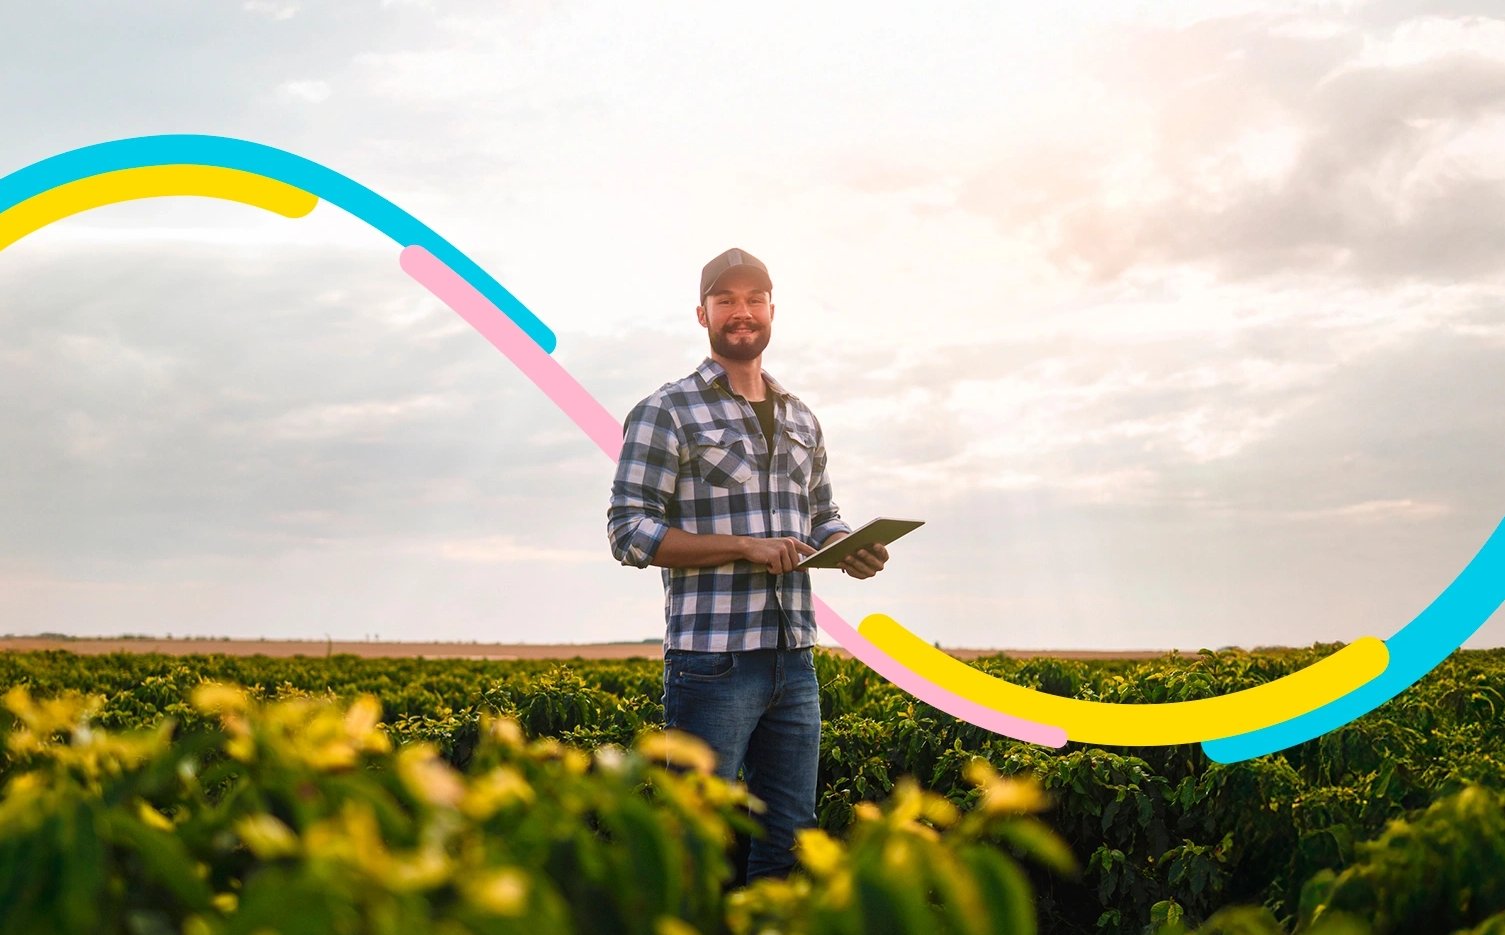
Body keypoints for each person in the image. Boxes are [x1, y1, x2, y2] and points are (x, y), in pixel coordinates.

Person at [607, 247, 889, 885]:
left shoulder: (800, 417)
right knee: (697, 844)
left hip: (795, 658)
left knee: (789, 845)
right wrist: (743, 545)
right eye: (726, 300)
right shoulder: (666, 411)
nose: (742, 312)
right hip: (713, 662)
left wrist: (850, 546)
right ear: (702, 313)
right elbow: (629, 532)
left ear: (771, 311)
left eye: (754, 299)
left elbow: (820, 513)